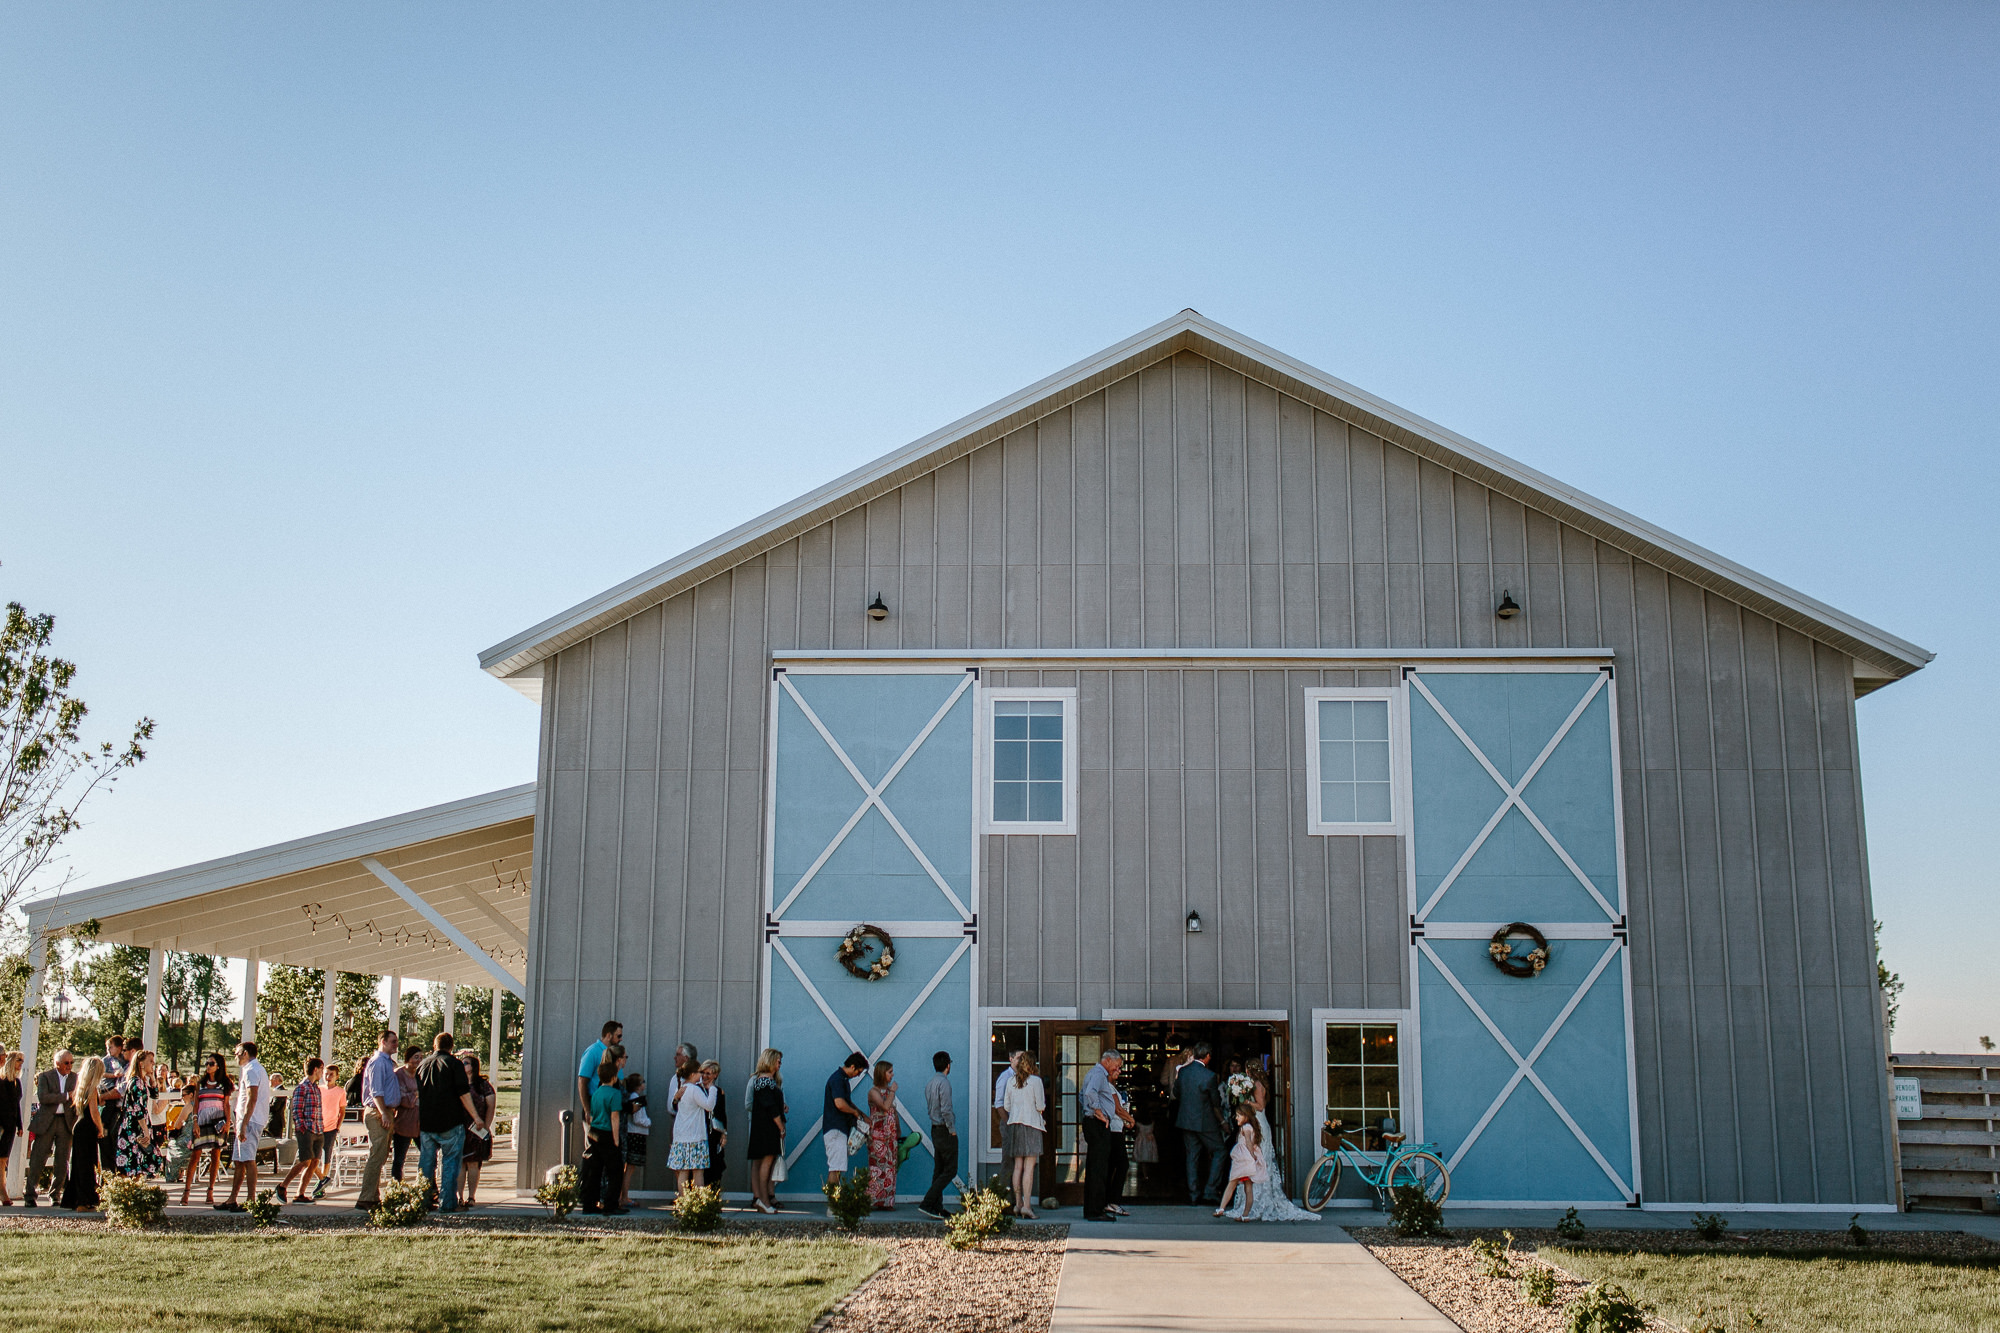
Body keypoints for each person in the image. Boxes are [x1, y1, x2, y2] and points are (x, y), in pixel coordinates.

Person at [1237, 1069, 1318, 1223]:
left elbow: (1260, 1106)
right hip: (1255, 1122)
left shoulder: (1257, 1085)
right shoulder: (1253, 1085)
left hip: (1259, 1122)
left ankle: (1261, 1200)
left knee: (1259, 1160)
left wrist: (1247, 1102)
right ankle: (1249, 1201)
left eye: (1247, 1068)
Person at [415, 1032, 479, 1213]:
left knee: (427, 1163)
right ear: (451, 1047)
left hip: (427, 1122)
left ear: (435, 1046)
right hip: (450, 1120)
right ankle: (448, 1203)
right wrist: (476, 1117)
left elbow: (418, 1094)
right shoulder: (454, 1064)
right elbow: (463, 1094)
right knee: (450, 1163)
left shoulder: (422, 1065)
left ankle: (424, 1200)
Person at [1174, 1042, 1227, 1206]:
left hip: (1186, 1120)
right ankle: (1210, 1190)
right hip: (1205, 1122)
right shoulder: (1209, 1076)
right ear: (1208, 1056)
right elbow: (1215, 1101)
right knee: (1220, 1151)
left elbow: (1176, 1093)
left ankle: (1193, 1194)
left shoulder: (1183, 1071)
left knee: (1192, 1156)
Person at [219, 1041, 270, 1212]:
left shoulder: (252, 1070)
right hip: (245, 1119)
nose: (236, 1055)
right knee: (239, 1160)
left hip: (250, 1120)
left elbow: (252, 1098)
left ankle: (251, 1200)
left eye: (238, 1052)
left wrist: (244, 1123)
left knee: (248, 1159)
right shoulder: (253, 1069)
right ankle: (232, 1198)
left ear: (246, 1053)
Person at [356, 1029, 401, 1212]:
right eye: (392, 1042)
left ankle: (373, 1196)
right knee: (377, 1154)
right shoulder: (378, 1063)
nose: (395, 1045)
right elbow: (376, 1091)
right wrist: (383, 1112)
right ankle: (366, 1197)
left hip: (386, 1110)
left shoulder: (388, 1063)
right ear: (382, 1042)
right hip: (377, 1112)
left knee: (381, 1154)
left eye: (396, 1042)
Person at [25, 1049, 76, 1207]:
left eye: (71, 1063)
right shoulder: (45, 1077)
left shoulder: (75, 1078)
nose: (69, 1066)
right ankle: (30, 1195)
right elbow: (44, 1097)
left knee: (62, 1160)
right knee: (38, 1158)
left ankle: (55, 1195)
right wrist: (67, 1096)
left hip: (66, 1122)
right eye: (66, 1063)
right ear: (57, 1063)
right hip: (47, 1121)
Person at [180, 1052, 232, 1207]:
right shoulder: (201, 1084)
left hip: (218, 1121)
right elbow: (195, 1105)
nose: (208, 1066)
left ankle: (210, 1190)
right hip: (202, 1121)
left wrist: (228, 1123)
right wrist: (195, 1122)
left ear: (218, 1066)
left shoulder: (225, 1084)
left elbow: (227, 1105)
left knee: (216, 1154)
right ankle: (186, 1191)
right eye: (207, 1064)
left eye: (211, 1064)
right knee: (195, 1154)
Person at [1079, 1047, 1124, 1222]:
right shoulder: (1098, 1074)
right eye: (1117, 1065)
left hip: (1094, 1122)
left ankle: (1092, 1208)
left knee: (1095, 1166)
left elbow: (1082, 1095)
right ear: (1107, 1061)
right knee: (1098, 1168)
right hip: (1097, 1124)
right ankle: (1096, 1210)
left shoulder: (1095, 1074)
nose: (1118, 1070)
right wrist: (1098, 1113)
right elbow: (1089, 1093)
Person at [1003, 1050, 1046, 1219]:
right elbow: (1041, 1105)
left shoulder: (1010, 1081)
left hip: (1014, 1124)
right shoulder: (1036, 1081)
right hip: (1031, 1125)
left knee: (1017, 1167)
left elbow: (1006, 1106)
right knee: (1029, 1167)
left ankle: (1018, 1203)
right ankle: (1027, 1206)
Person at [579, 1059, 625, 1215]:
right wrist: (616, 1139)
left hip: (594, 1131)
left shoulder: (596, 1093)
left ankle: (589, 1204)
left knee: (595, 1170)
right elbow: (614, 1117)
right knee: (615, 1171)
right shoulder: (615, 1094)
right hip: (607, 1133)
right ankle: (610, 1205)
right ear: (613, 1077)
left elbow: (592, 1114)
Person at [276, 1057, 324, 1204]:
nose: (322, 1073)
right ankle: (283, 1186)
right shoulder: (302, 1087)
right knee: (305, 1161)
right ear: (315, 1069)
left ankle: (300, 1193)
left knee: (314, 1162)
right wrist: (302, 1127)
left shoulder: (316, 1088)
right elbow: (296, 1110)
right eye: (321, 1069)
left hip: (318, 1128)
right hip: (307, 1129)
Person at [61, 1055, 106, 1211]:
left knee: (78, 1165)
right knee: (88, 1166)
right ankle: (84, 1200)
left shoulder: (80, 1087)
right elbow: (94, 1113)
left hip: (79, 1126)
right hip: (88, 1128)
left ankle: (73, 1199)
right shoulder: (92, 1089)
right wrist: (100, 1128)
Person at [821, 1051, 867, 1201]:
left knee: (838, 1167)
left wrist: (862, 1114)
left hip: (839, 1129)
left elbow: (847, 1102)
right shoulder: (838, 1080)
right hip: (835, 1129)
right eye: (858, 1072)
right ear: (852, 1066)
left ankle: (835, 1199)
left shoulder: (842, 1079)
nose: (858, 1075)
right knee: (835, 1167)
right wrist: (855, 1113)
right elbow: (840, 1104)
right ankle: (832, 1203)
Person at [112, 1048, 164, 1179]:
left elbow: (155, 1094)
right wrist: (145, 1130)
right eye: (150, 1061)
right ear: (141, 1063)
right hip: (135, 1125)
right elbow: (138, 1108)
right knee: (134, 1159)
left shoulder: (142, 1081)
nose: (153, 1064)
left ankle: (134, 1188)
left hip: (138, 1123)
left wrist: (152, 1077)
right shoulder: (136, 1082)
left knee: (138, 1160)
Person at [746, 1048, 785, 1214]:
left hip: (763, 1126)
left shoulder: (766, 1082)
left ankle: (763, 1198)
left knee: (764, 1163)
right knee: (766, 1162)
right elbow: (769, 1106)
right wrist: (780, 1126)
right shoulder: (765, 1082)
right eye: (778, 1061)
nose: (779, 1064)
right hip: (767, 1128)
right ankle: (762, 1199)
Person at [918, 1050, 956, 1220]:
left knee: (939, 1168)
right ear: (948, 1065)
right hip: (944, 1129)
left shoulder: (930, 1083)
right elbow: (946, 1109)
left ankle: (936, 1206)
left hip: (934, 1128)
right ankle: (928, 1202)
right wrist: (952, 1129)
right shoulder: (944, 1084)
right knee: (950, 1170)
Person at [669, 1058, 717, 1194]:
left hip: (681, 1136)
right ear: (692, 1074)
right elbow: (709, 1105)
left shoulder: (681, 1088)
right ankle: (697, 1203)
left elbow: (674, 1106)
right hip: (696, 1136)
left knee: (683, 1172)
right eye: (699, 1072)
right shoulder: (694, 1090)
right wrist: (712, 1089)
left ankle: (684, 1203)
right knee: (698, 1172)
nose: (702, 1075)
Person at [1214, 1104, 1264, 1222]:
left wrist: (1251, 1156)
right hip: (1246, 1160)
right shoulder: (1250, 1126)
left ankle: (1221, 1208)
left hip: (1243, 1160)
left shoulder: (1246, 1127)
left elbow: (1248, 1142)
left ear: (1246, 1116)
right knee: (1248, 1188)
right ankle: (1245, 1214)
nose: (1236, 1118)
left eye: (1238, 1116)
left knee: (1232, 1183)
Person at [459, 1052, 495, 1208]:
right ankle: (458, 1197)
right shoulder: (458, 1083)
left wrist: (486, 1126)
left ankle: (471, 1196)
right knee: (460, 1163)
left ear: (473, 1067)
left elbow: (491, 1105)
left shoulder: (483, 1086)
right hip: (460, 1127)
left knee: (473, 1163)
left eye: (466, 1063)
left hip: (477, 1128)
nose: (463, 1065)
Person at [864, 1060, 898, 1210]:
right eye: (889, 1072)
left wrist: (898, 1128)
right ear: (881, 1073)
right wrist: (892, 1092)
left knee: (890, 1169)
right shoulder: (874, 1092)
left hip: (891, 1136)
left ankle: (886, 1201)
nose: (892, 1075)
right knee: (877, 1169)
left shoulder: (887, 1092)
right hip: (878, 1137)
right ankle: (872, 1199)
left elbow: (892, 1111)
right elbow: (884, 1107)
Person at [314, 1062, 347, 1201]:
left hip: (331, 1127)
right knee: (311, 1157)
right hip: (317, 1126)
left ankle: (321, 1186)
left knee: (326, 1156)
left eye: (331, 1075)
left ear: (336, 1077)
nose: (328, 1077)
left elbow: (342, 1111)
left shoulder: (340, 1092)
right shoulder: (318, 1089)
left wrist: (337, 1127)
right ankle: (322, 1179)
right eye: (326, 1074)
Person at [576, 1019, 622, 1119]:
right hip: (595, 1106)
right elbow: (582, 1081)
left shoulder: (616, 1054)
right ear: (609, 1035)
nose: (620, 1039)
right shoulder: (593, 1052)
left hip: (611, 1108)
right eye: (618, 1036)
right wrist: (587, 1110)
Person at [97, 1036, 126, 1177]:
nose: (109, 1050)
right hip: (106, 1090)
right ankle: (102, 1125)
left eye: (111, 1047)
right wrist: (113, 1076)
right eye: (108, 1048)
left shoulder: (122, 1061)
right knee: (107, 1114)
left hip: (115, 1096)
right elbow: (102, 1073)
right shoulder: (106, 1060)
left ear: (119, 1048)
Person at [393, 1044, 423, 1179]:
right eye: (416, 1057)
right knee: (399, 1158)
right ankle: (396, 1186)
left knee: (427, 1155)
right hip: (403, 1122)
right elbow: (403, 1100)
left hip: (420, 1122)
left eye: (421, 1057)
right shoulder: (399, 1074)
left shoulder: (421, 1074)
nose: (418, 1060)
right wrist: (416, 1094)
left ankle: (427, 1185)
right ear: (408, 1058)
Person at [622, 1071, 650, 1202]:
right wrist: (648, 1122)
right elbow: (637, 1118)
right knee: (630, 1167)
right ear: (638, 1085)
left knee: (629, 1167)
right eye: (642, 1081)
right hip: (635, 1134)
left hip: (634, 1133)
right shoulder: (635, 1098)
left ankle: (623, 1196)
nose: (644, 1084)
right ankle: (624, 1197)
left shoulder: (633, 1096)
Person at [0, 1049, 21, 1206]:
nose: (19, 1063)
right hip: (2, 1123)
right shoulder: (3, 1080)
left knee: (3, 1159)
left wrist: (18, 1124)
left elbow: (15, 1105)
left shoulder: (15, 1082)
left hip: (9, 1125)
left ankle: (2, 1190)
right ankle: (3, 1192)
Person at [704, 1072, 729, 1192]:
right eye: (703, 1072)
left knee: (716, 1164)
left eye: (708, 1073)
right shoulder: (698, 1090)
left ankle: (713, 1194)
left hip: (715, 1132)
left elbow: (722, 1114)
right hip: (701, 1132)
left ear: (715, 1075)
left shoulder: (719, 1091)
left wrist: (724, 1134)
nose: (705, 1076)